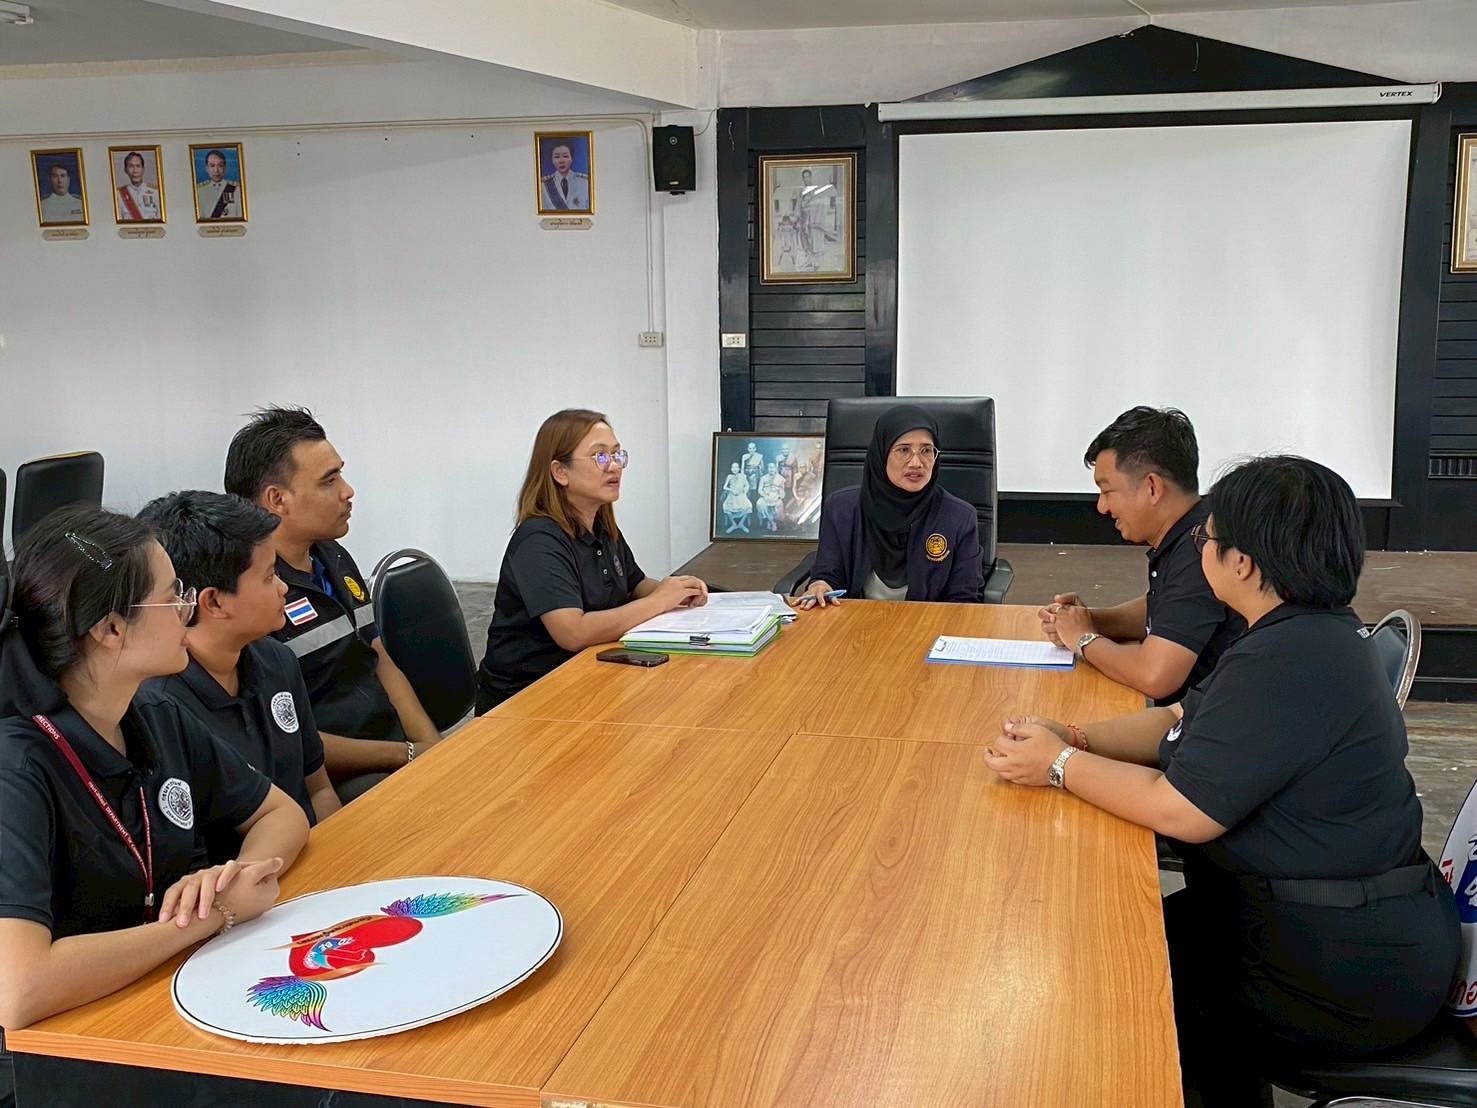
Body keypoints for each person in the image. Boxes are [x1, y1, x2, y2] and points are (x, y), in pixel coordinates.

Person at [986, 456, 1460, 1108]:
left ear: (1242, 563)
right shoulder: (1300, 631)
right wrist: (1075, 737)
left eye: (1208, 539)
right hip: (1335, 925)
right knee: (1117, 933)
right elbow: (1178, 720)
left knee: (1116, 982)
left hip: (1341, 971)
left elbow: (1180, 810)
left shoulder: (1287, 660)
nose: (1199, 550)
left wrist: (1058, 766)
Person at [0, 507, 308, 1037]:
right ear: (111, 628)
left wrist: (234, 877)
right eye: (171, 597)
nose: (187, 611)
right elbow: (18, 989)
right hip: (66, 1043)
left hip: (161, 991)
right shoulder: (18, 767)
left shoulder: (154, 713)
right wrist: (212, 915)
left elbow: (282, 813)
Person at [224, 406, 441, 802]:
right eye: (329, 480)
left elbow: (380, 659)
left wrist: (436, 749)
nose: (347, 491)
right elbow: (286, 737)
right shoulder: (250, 597)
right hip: (333, 779)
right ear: (277, 500)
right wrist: (408, 755)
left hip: (392, 753)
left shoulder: (334, 557)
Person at [135, 491, 340, 863]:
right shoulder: (158, 707)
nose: (284, 587)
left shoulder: (276, 660)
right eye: (270, 576)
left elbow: (319, 789)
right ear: (213, 602)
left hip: (311, 858)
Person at [476, 409, 708, 713]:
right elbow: (573, 632)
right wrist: (659, 601)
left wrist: (678, 590)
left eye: (617, 455)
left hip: (588, 680)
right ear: (560, 472)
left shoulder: (601, 525)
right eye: (600, 456)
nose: (614, 466)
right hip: (527, 702)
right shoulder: (539, 540)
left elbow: (635, 584)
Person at [1039, 406, 1243, 705]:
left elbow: (1155, 676)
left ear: (1152, 487)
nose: (1102, 507)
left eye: (1107, 491)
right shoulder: (1192, 532)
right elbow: (1168, 610)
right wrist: (1087, 620)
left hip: (1204, 723)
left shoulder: (1202, 552)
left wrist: (1084, 639)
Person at [801, 405, 982, 607]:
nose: (916, 462)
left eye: (926, 450)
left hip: (928, 622)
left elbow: (963, 598)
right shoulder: (841, 508)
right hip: (854, 621)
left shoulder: (959, 517)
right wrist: (820, 585)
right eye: (904, 450)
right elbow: (827, 573)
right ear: (881, 453)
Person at [541, 143, 590, 211]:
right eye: (557, 157)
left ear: (571, 158)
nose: (561, 161)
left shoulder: (585, 182)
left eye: (565, 156)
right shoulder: (544, 185)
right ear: (552, 160)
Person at [115, 151, 161, 222]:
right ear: (125, 170)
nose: (135, 171)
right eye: (131, 166)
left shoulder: (156, 192)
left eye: (138, 166)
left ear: (143, 169)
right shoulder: (119, 195)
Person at [195, 149, 241, 220]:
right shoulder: (199, 191)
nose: (216, 170)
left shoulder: (237, 190)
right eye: (212, 166)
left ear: (225, 167)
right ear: (207, 168)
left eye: (220, 165)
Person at [722, 461, 753, 534]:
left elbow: (747, 485)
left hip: (741, 495)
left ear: (739, 468)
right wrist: (731, 490)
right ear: (731, 469)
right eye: (733, 467)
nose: (735, 469)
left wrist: (744, 491)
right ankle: (733, 524)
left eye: (736, 467)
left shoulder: (743, 476)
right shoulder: (729, 476)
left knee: (748, 507)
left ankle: (741, 524)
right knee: (726, 507)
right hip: (732, 495)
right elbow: (724, 487)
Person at [757, 462, 784, 532]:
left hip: (775, 496)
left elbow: (782, 491)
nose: (771, 469)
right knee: (759, 503)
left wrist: (779, 493)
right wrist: (764, 495)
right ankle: (772, 522)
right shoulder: (763, 478)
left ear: (775, 468)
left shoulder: (781, 478)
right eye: (769, 467)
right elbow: (759, 490)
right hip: (765, 496)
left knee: (779, 504)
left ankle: (771, 521)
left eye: (772, 467)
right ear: (767, 469)